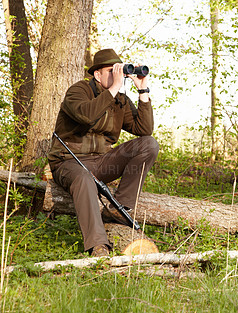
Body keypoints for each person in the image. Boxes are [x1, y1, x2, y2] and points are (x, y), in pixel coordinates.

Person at [48, 48, 159, 257]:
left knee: (149, 144)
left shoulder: (120, 100)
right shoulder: (78, 91)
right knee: (83, 178)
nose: (117, 75)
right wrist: (115, 87)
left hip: (101, 162)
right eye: (111, 70)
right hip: (69, 162)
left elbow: (144, 130)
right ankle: (98, 245)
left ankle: (119, 208)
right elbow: (87, 116)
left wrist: (143, 91)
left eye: (119, 71)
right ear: (97, 74)